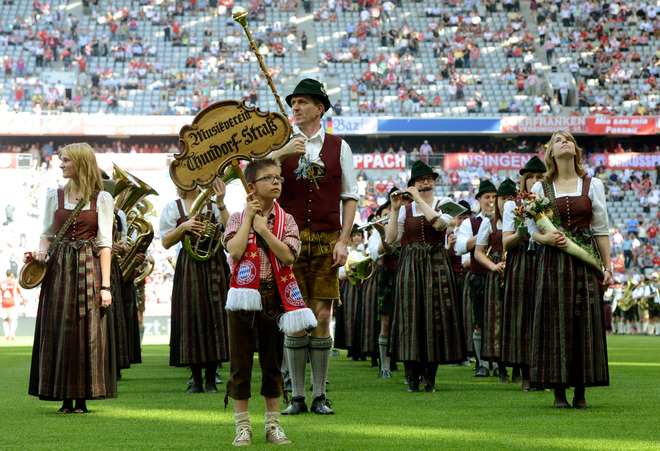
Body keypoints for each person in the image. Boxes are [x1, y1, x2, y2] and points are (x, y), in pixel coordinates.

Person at [271, 79, 359, 415]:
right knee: (295, 317)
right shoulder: (281, 146)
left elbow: (349, 197)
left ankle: (319, 394)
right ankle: (296, 396)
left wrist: (343, 240)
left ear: (319, 108)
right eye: (293, 102)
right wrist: (279, 155)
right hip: (289, 241)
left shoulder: (340, 147)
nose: (295, 107)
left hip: (326, 240)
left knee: (322, 315)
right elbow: (255, 182)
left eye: (303, 102)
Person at [223, 158, 316, 446]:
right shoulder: (238, 218)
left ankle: (272, 425)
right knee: (240, 364)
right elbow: (236, 252)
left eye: (278, 178)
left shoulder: (286, 219)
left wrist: (263, 230)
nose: (276, 182)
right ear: (251, 186)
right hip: (242, 297)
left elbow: (289, 257)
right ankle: (243, 426)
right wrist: (250, 220)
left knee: (273, 362)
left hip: (275, 297)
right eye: (268, 178)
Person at [28, 143, 116, 414]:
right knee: (60, 330)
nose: (61, 164)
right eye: (61, 160)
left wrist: (105, 286)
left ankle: (82, 398)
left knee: (88, 331)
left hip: (89, 267)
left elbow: (105, 244)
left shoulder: (102, 198)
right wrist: (42, 252)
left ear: (80, 163)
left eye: (66, 160)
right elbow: (46, 233)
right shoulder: (53, 195)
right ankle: (64, 397)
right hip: (59, 270)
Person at [529, 130, 611, 409]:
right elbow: (532, 231)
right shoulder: (540, 188)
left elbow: (600, 230)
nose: (565, 143)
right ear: (550, 152)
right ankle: (558, 391)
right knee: (554, 322)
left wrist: (607, 267)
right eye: (558, 140)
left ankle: (581, 391)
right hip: (552, 261)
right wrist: (546, 237)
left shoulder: (593, 184)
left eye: (570, 141)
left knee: (584, 322)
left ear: (576, 151)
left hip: (585, 261)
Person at [385, 161, 466, 392]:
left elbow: (440, 224)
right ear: (412, 184)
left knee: (435, 317)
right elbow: (390, 239)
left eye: (430, 178)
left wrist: (419, 200)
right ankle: (411, 376)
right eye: (421, 180)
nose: (427, 182)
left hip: (437, 263)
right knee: (410, 318)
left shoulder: (446, 204)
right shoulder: (404, 210)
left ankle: (430, 378)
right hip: (410, 264)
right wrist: (395, 208)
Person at [160, 179, 231, 393]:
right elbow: (165, 242)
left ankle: (211, 377)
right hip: (189, 263)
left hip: (214, 262)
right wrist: (184, 227)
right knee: (190, 318)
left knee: (215, 317)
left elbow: (229, 233)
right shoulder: (173, 207)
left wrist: (221, 202)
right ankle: (195, 378)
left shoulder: (213, 203)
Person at [501, 156, 547, 392]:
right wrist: (523, 233)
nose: (536, 182)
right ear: (524, 181)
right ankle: (527, 375)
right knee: (523, 319)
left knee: (545, 318)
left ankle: (546, 374)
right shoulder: (512, 205)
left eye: (540, 177)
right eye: (532, 178)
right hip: (522, 260)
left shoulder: (551, 201)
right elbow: (505, 243)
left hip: (547, 258)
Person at [474, 178, 518, 384]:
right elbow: (478, 253)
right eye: (502, 198)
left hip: (517, 270)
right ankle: (502, 369)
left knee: (517, 319)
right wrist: (493, 266)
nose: (505, 202)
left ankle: (518, 368)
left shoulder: (522, 220)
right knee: (497, 321)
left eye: (511, 198)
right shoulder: (489, 222)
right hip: (496, 273)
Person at [456, 179, 497, 377]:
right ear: (479, 199)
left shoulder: (505, 220)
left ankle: (498, 363)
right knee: (479, 321)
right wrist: (483, 233)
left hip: (499, 277)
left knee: (499, 321)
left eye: (494, 197)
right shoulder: (470, 223)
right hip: (479, 277)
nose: (491, 200)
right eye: (487, 197)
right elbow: (461, 247)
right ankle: (483, 364)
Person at [1, 269, 23, 341]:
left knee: (5, 319)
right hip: (12, 302)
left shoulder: (1, 283)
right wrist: (23, 301)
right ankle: (12, 333)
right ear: (11, 274)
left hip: (4, 303)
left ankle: (7, 335)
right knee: (14, 319)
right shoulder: (14, 283)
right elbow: (18, 293)